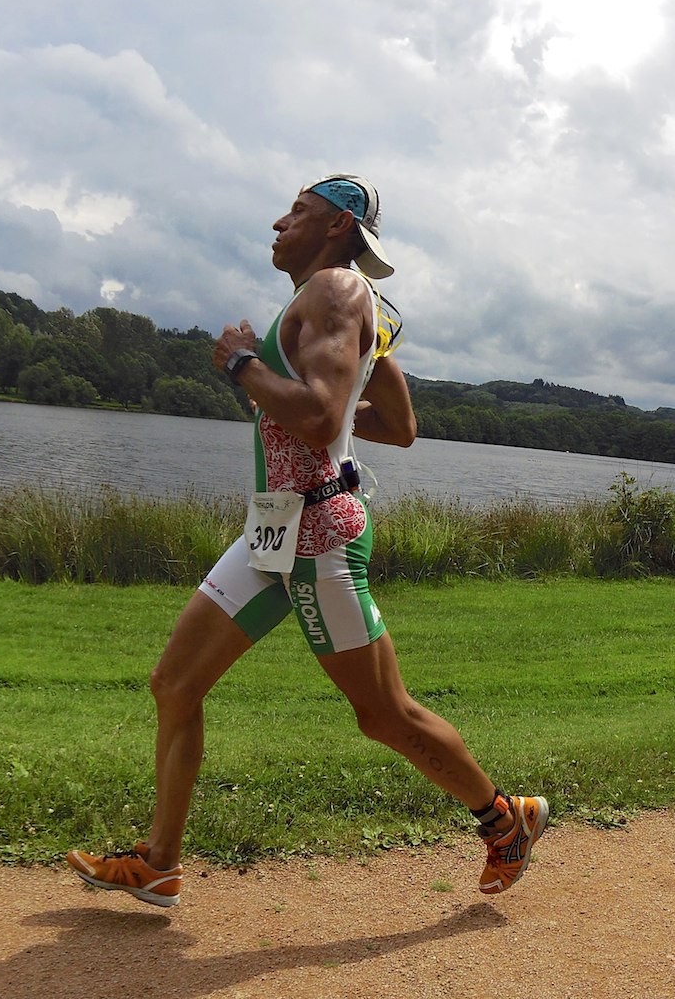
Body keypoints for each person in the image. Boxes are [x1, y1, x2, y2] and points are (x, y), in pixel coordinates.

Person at [67, 174, 548, 907]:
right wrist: (337, 404)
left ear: (336, 225)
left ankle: (503, 819)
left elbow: (322, 418)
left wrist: (240, 364)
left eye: (297, 211)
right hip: (272, 531)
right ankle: (159, 863)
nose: (277, 220)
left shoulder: (336, 292)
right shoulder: (330, 301)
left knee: (383, 714)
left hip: (318, 537)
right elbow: (394, 426)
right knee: (174, 684)